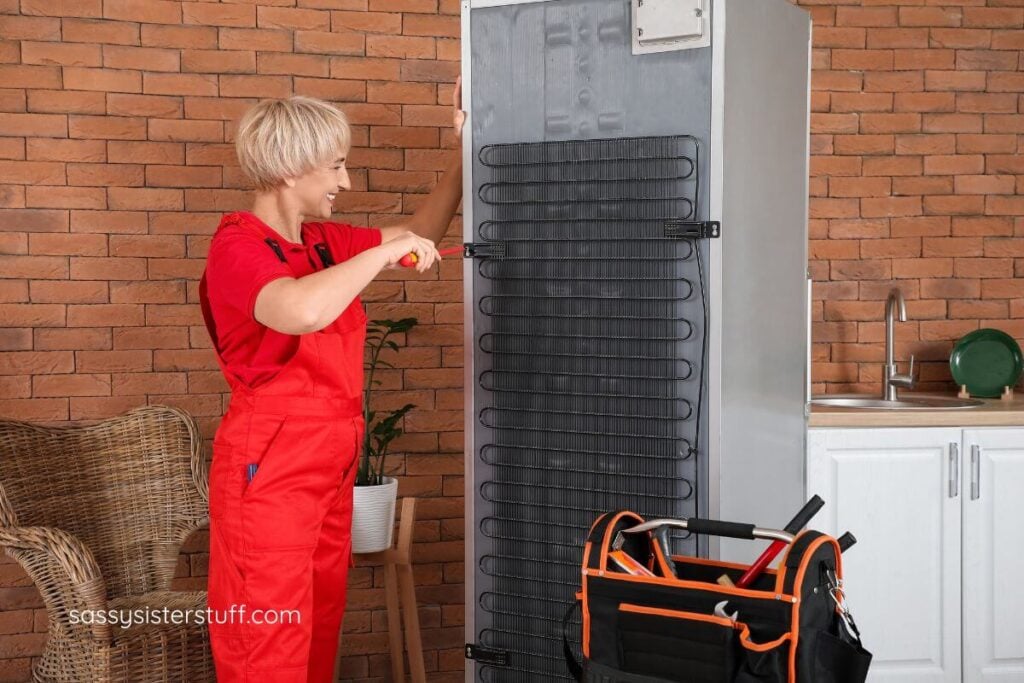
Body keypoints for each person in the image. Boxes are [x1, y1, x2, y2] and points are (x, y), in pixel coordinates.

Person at [198, 82, 464, 682]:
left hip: (327, 468)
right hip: (267, 472)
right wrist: (379, 258)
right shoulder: (237, 249)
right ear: (292, 168)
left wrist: (463, 150)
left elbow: (420, 227)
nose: (345, 182)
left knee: (316, 634)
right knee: (268, 645)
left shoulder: (320, 243)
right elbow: (299, 311)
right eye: (336, 165)